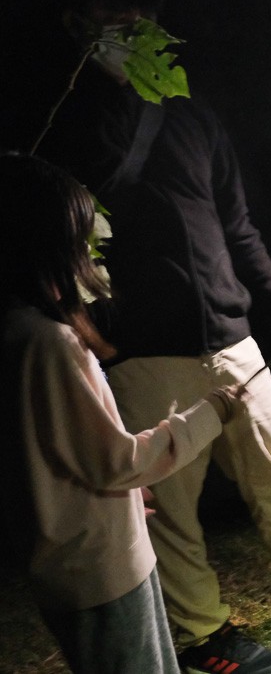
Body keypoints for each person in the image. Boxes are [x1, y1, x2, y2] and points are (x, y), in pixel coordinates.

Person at [39, 0, 271, 672]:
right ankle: (206, 634)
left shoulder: (193, 112)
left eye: (136, 20)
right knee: (173, 505)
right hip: (145, 348)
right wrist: (105, 83)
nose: (128, 31)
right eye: (110, 22)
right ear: (81, 31)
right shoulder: (74, 122)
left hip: (234, 336)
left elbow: (238, 226)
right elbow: (81, 210)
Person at [0, 152, 241, 673]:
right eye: (80, 239)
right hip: (98, 569)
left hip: (71, 559)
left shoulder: (16, 331)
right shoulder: (49, 342)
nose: (90, 251)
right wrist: (212, 411)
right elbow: (116, 461)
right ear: (44, 245)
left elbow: (58, 455)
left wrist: (122, 498)